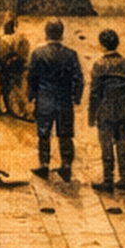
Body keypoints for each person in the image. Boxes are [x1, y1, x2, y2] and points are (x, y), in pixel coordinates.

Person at [27, 19, 83, 181]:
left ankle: (44, 165)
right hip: (64, 100)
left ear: (46, 33)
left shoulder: (38, 54)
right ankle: (66, 166)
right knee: (65, 134)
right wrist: (76, 97)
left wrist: (31, 96)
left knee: (44, 134)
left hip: (45, 99)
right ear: (61, 33)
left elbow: (32, 77)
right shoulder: (71, 54)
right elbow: (78, 78)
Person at [88, 28, 125, 192]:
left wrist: (92, 114)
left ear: (102, 45)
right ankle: (124, 178)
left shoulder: (99, 65)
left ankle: (108, 180)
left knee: (107, 145)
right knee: (122, 143)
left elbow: (95, 92)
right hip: (122, 109)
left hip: (105, 110)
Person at [0, 16, 31, 119]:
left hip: (5, 70)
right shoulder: (22, 39)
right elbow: (25, 56)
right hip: (18, 70)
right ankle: (20, 108)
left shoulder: (1, 40)